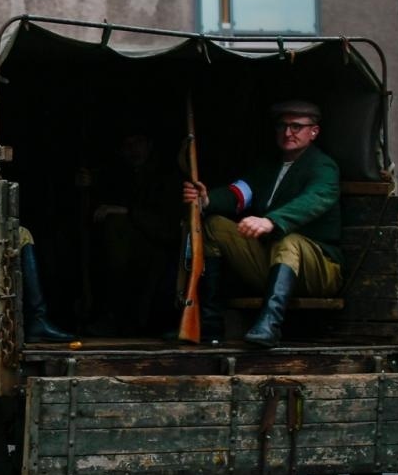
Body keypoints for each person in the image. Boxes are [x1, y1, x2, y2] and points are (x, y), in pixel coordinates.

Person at [181, 99, 342, 348]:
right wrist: (206, 199)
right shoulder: (267, 166)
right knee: (214, 226)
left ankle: (269, 324)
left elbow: (316, 199)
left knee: (288, 241)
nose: (288, 132)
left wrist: (272, 221)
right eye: (282, 126)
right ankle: (210, 323)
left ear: (314, 132)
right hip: (272, 261)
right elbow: (240, 193)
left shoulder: (323, 167)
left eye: (297, 126)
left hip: (319, 270)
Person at [89, 130, 180, 335]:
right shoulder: (121, 177)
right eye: (127, 145)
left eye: (138, 142)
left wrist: (128, 213)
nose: (133, 150)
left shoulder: (166, 177)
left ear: (149, 144)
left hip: (161, 250)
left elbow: (167, 226)